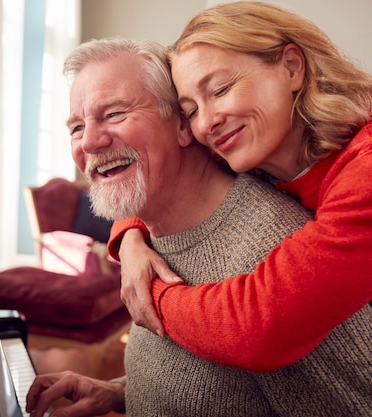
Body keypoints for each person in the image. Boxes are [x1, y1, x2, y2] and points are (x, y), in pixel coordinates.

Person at [25, 37, 371, 417]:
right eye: (76, 127)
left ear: (183, 126)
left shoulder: (275, 246)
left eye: (114, 114)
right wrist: (121, 393)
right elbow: (219, 390)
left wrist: (155, 298)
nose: (89, 142)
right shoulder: (156, 234)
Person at [110, 0, 372, 371]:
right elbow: (163, 179)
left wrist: (151, 294)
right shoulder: (251, 156)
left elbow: (259, 326)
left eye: (220, 89)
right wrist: (130, 240)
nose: (207, 123)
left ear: (292, 67)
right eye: (191, 110)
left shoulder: (364, 173)